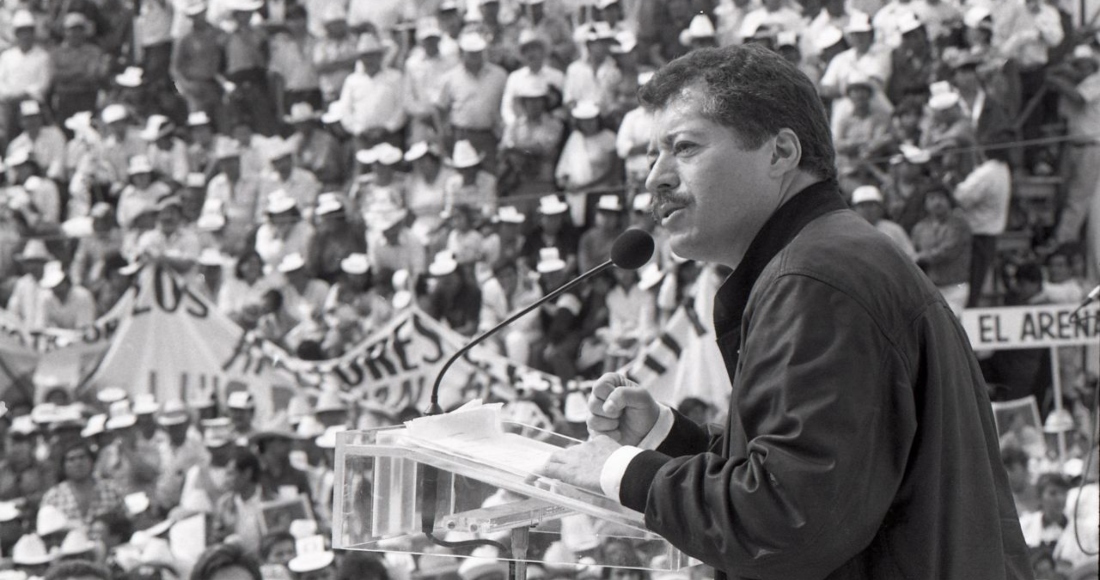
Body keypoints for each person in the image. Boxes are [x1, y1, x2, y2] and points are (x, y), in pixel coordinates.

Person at [537, 44, 1031, 579]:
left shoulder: (817, 277)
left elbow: (788, 521)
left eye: (683, 147)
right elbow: (809, 478)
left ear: (780, 153)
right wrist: (664, 436)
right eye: (652, 155)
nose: (655, 177)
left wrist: (621, 471)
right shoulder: (823, 259)